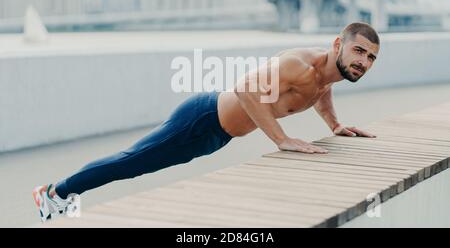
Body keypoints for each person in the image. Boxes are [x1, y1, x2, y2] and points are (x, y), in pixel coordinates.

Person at [32, 22, 380, 222]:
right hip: (202, 118)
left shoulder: (325, 76)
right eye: (359, 51)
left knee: (139, 165)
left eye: (371, 58)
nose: (363, 61)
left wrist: (334, 125)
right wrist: (281, 139)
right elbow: (245, 90)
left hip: (215, 135)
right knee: (132, 162)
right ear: (338, 44)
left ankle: (60, 193)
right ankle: (53, 193)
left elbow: (322, 91)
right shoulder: (299, 65)